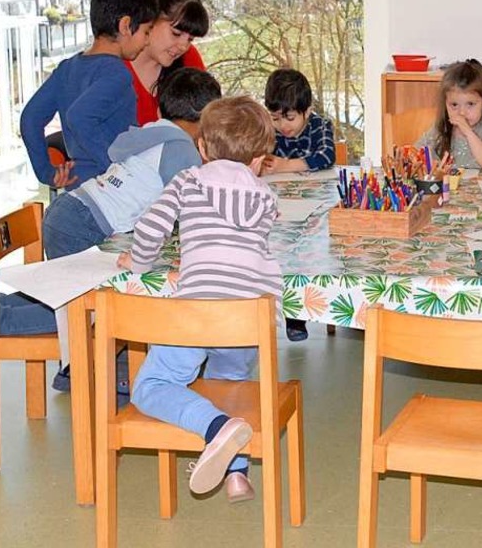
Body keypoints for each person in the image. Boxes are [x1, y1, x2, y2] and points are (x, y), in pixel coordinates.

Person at [0, 69, 223, 385]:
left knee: (71, 295)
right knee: (86, 309)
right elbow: (190, 208)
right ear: (207, 120)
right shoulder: (182, 149)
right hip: (85, 225)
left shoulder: (153, 135)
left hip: (72, 210)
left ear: (161, 109)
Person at [119, 95, 282, 504]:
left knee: (151, 385)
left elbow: (151, 228)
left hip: (196, 312)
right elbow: (240, 250)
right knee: (229, 387)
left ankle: (214, 429)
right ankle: (237, 472)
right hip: (247, 318)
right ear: (261, 157)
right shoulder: (265, 197)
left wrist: (138, 264)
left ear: (202, 148)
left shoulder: (188, 181)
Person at [21, 0, 157, 191]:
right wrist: (116, 170)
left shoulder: (67, 68)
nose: (147, 41)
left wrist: (46, 172)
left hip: (78, 189)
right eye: (147, 32)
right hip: (109, 196)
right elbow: (80, 117)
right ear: (126, 26)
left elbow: (30, 118)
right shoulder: (117, 73)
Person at [262, 67, 336, 342]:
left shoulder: (320, 126)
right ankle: (289, 313)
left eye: (290, 117)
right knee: (279, 256)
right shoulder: (268, 130)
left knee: (309, 257)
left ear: (307, 109)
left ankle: (303, 312)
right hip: (280, 207)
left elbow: (326, 156)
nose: (284, 126)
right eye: (276, 118)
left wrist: (287, 165)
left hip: (316, 206)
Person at [127, 0, 210, 126]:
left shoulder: (189, 59)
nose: (183, 46)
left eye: (190, 39)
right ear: (151, 21)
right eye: (176, 33)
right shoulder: (115, 68)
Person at [416, 59, 482, 171]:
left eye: (470, 104)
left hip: (481, 186)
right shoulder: (442, 127)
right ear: (445, 103)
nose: (462, 112)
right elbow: (417, 151)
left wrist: (468, 132)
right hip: (448, 186)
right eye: (454, 105)